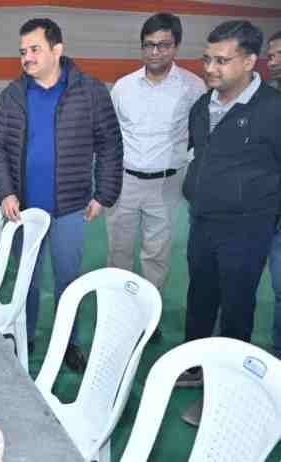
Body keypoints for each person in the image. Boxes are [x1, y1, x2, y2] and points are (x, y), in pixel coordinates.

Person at [0, 18, 123, 372]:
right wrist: (5, 192)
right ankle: (24, 335)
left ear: (57, 50)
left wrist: (104, 194)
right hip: (23, 209)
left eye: (35, 49)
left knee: (68, 280)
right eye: (22, 51)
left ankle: (68, 343)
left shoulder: (90, 92)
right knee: (26, 280)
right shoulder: (12, 96)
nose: (26, 58)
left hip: (70, 207)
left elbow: (110, 143)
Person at [175, 20, 281, 426]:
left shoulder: (273, 110)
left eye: (221, 60)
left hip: (247, 229)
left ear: (250, 61)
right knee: (201, 297)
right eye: (207, 59)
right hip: (203, 221)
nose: (210, 68)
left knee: (236, 307)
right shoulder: (204, 106)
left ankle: (228, 393)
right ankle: (196, 367)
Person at [106, 12, 206, 342]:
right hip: (125, 182)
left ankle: (148, 318)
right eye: (149, 45)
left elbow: (202, 134)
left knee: (156, 255)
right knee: (118, 251)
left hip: (167, 184)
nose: (155, 52)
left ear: (176, 46)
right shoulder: (123, 87)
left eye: (163, 45)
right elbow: (112, 136)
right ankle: (119, 315)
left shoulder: (193, 87)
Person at [265, 31, 281, 362]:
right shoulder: (265, 99)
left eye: (280, 54)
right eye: (271, 55)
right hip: (265, 210)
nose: (274, 61)